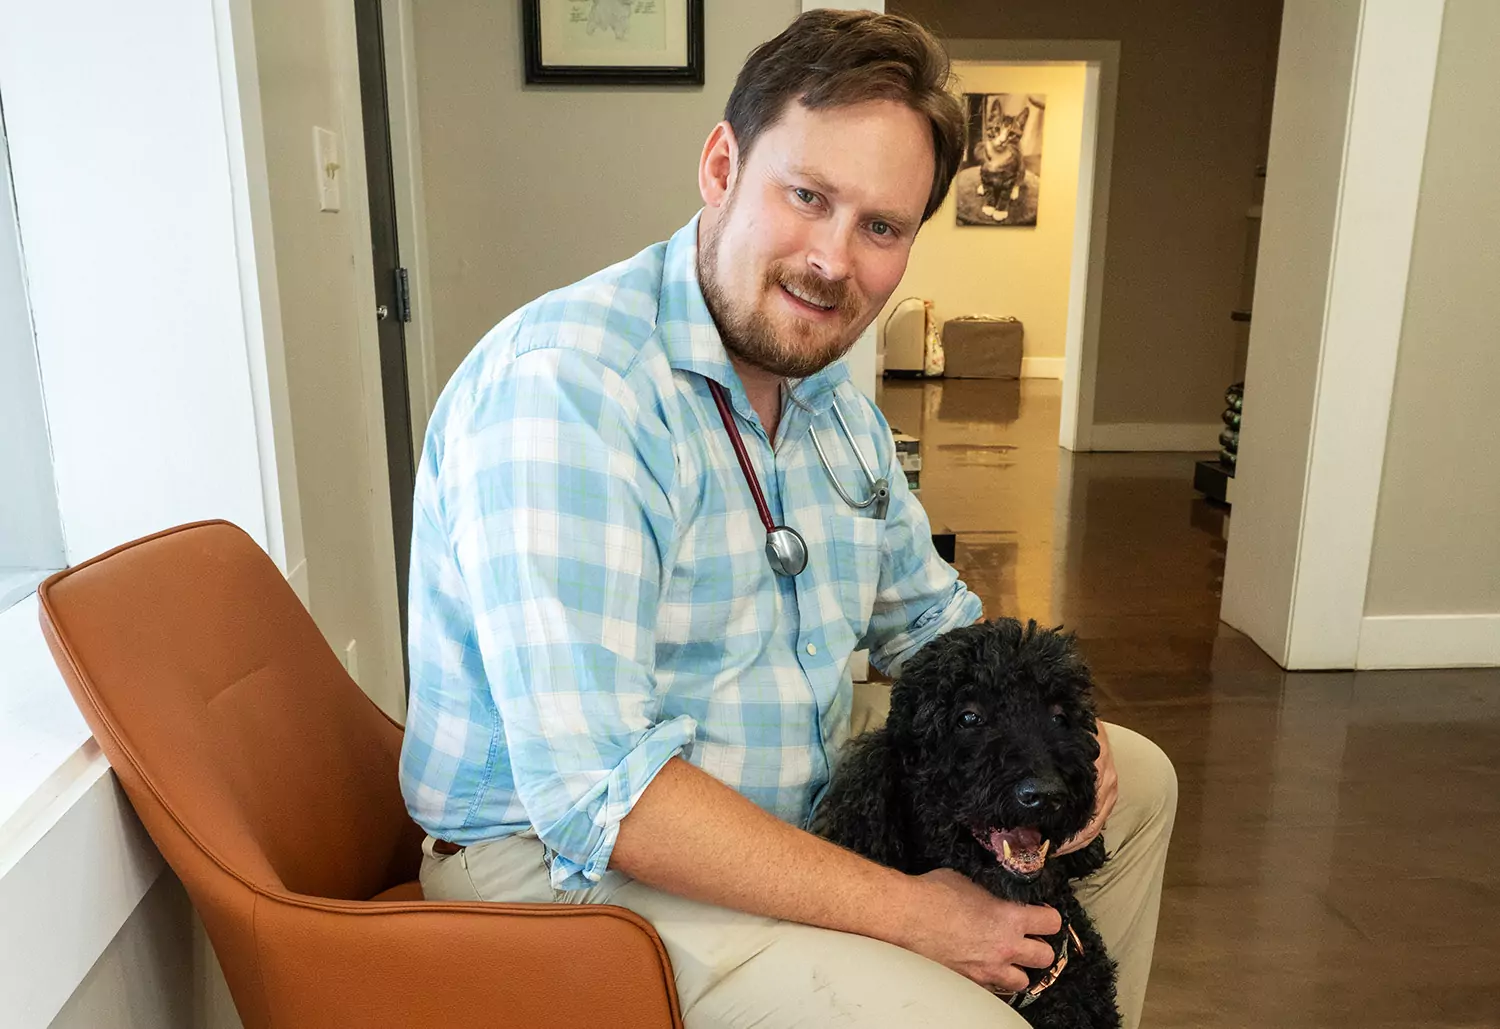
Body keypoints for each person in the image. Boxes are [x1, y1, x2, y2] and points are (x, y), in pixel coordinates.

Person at [399, 10, 1176, 1028]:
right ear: (722, 165)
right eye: (807, 197)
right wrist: (910, 915)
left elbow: (932, 627)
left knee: (1140, 778)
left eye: (882, 228)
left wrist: (1062, 734)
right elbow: (604, 797)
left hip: (776, 787)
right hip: (560, 869)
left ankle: (1057, 997)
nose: (832, 260)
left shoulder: (828, 404)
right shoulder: (572, 394)